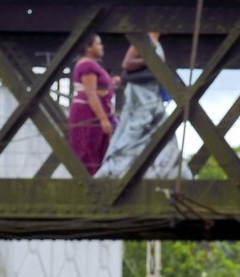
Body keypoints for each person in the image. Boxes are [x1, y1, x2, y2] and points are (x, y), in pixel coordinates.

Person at [97, 32, 184, 179]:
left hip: (152, 91)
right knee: (138, 126)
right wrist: (151, 60)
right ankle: (122, 168)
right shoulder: (145, 40)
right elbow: (126, 63)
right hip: (140, 93)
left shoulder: (155, 41)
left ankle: (159, 168)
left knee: (156, 126)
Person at [67, 34, 114, 175]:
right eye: (98, 44)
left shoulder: (89, 64)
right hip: (88, 113)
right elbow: (91, 93)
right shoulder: (87, 65)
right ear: (88, 48)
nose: (101, 47)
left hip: (92, 111)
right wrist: (103, 119)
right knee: (88, 149)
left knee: (95, 150)